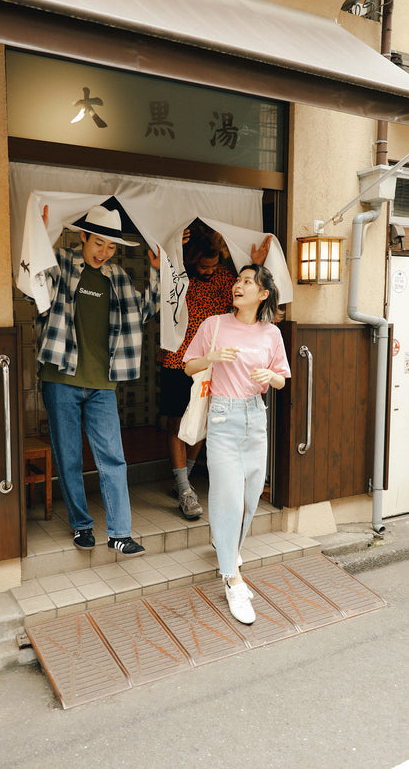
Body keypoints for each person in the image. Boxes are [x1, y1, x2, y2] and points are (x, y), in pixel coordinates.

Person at [38, 204, 160, 556]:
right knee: (70, 456)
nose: (103, 252)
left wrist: (156, 273)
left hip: (102, 383)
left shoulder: (117, 276)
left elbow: (145, 311)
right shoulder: (60, 262)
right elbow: (37, 288)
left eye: (110, 247)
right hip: (60, 375)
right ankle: (81, 526)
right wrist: (40, 238)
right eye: (98, 244)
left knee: (113, 457)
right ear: (83, 237)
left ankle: (120, 533)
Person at [183, 264, 290, 624]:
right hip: (224, 418)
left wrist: (270, 375)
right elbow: (187, 366)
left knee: (248, 496)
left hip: (255, 418)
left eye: (247, 282)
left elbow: (281, 381)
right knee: (226, 496)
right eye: (238, 280)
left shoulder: (271, 333)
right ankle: (232, 577)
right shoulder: (213, 325)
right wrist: (210, 358)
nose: (237, 285)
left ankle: (226, 547)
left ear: (262, 294)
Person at [157, 222, 272, 520]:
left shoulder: (225, 278)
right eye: (203, 265)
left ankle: (184, 481)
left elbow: (247, 293)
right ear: (193, 258)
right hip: (177, 359)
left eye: (212, 265)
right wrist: (174, 253)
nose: (208, 270)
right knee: (178, 423)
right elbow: (165, 284)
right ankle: (184, 489)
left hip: (211, 361)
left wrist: (256, 266)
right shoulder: (180, 277)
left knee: (203, 423)